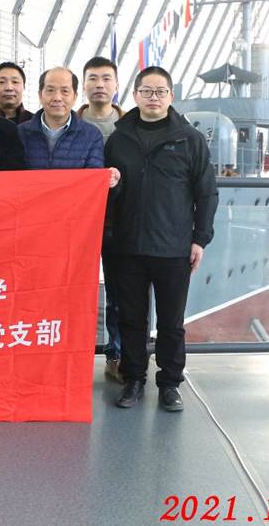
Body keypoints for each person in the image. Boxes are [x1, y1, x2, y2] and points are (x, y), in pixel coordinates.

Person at [104, 66, 218, 412]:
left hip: (173, 247)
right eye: (147, 91)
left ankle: (169, 383)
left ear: (171, 96)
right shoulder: (119, 139)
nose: (153, 98)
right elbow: (108, 194)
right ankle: (134, 379)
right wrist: (112, 186)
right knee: (131, 319)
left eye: (160, 92)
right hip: (128, 246)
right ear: (135, 95)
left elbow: (207, 193)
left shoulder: (189, 139)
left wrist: (199, 239)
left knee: (171, 322)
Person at [77, 56, 126, 383]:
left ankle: (116, 356)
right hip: (78, 224)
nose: (99, 85)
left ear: (116, 85)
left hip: (119, 222)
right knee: (71, 292)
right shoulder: (70, 124)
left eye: (106, 78)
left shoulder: (130, 126)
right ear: (83, 85)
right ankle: (73, 356)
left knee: (120, 295)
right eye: (93, 78)